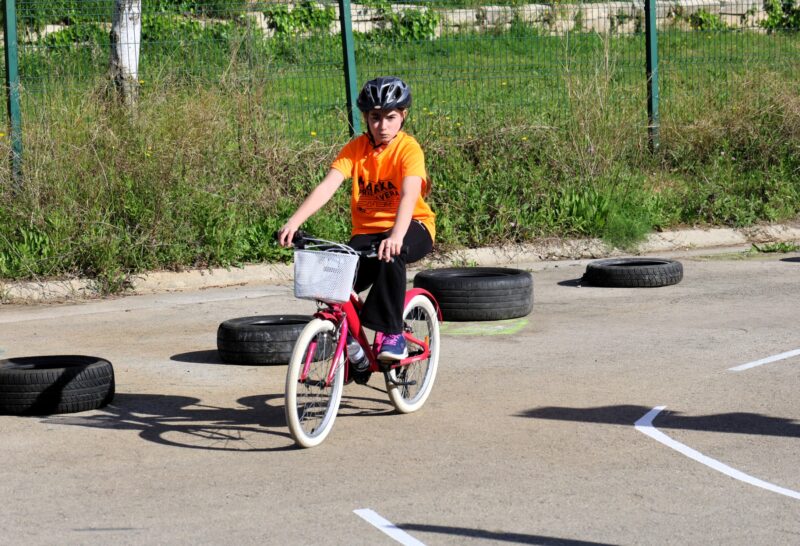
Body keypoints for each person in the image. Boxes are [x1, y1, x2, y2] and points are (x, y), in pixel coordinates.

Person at [278, 75, 435, 362]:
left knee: (391, 253)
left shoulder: (408, 149)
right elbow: (328, 185)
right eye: (375, 117)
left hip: (412, 226)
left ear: (403, 116)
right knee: (332, 281)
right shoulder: (356, 149)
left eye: (390, 117)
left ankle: (393, 334)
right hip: (367, 233)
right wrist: (294, 221)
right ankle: (351, 343)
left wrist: (397, 235)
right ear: (365, 117)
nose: (382, 125)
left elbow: (409, 194)